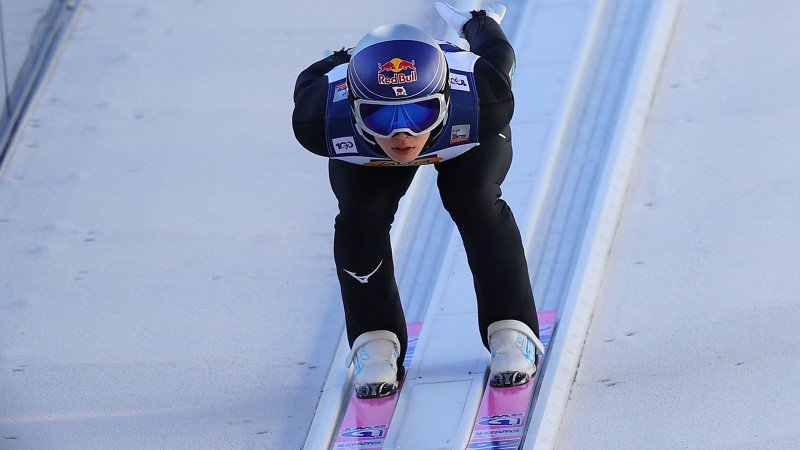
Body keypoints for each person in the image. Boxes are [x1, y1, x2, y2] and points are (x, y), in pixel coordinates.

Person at [292, 2, 543, 399]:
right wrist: (345, 58)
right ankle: (373, 337)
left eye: (420, 112)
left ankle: (511, 326)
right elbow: (312, 78)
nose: (403, 135)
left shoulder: (484, 98)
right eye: (381, 116)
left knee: (473, 199)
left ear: (445, 98)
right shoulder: (319, 117)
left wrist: (477, 21)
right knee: (360, 215)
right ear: (354, 112)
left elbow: (497, 52)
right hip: (388, 146)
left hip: (460, 140)